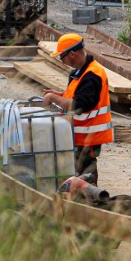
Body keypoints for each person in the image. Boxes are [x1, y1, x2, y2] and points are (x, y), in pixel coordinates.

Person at [42, 33, 113, 184]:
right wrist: (59, 95)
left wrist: (53, 98)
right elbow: (76, 96)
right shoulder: (78, 73)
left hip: (89, 134)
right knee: (77, 170)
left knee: (85, 170)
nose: (62, 61)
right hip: (79, 133)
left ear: (72, 54)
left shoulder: (92, 75)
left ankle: (90, 199)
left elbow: (78, 106)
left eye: (62, 57)